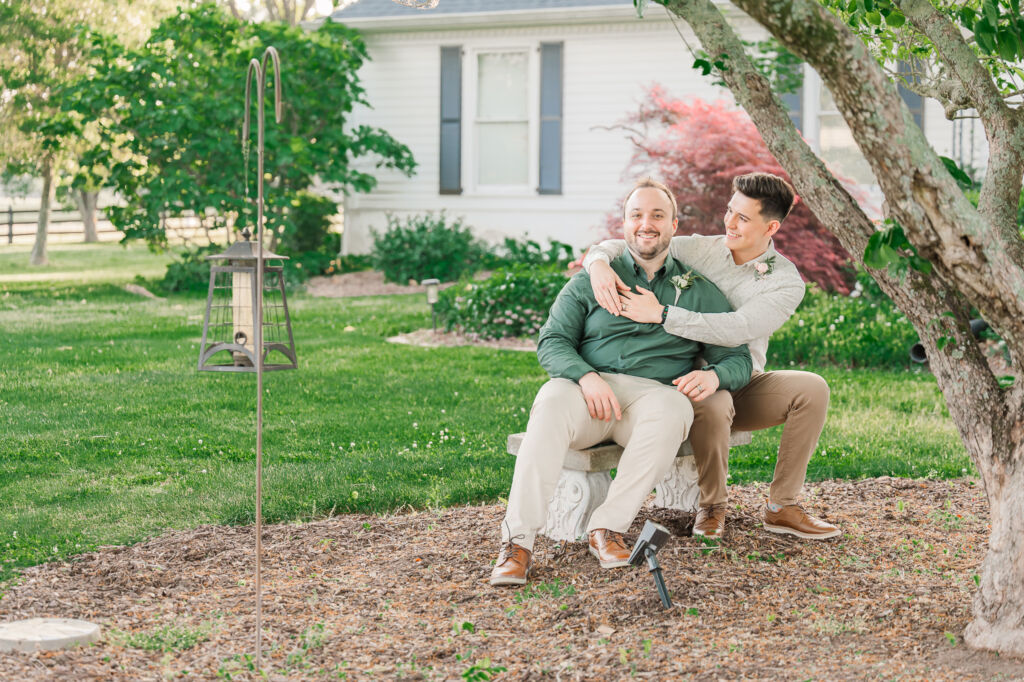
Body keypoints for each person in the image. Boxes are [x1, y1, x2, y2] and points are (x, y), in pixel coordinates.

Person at [490, 178, 752, 586]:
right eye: (636, 215)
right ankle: (517, 544)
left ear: (674, 226)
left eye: (657, 216)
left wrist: (715, 374)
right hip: (586, 393)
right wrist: (585, 376)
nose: (646, 224)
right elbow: (552, 341)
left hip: (650, 399)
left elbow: (738, 357)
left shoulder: (698, 290)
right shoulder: (592, 279)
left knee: (674, 407)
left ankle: (607, 528)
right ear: (624, 224)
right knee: (551, 397)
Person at [582, 172, 840, 541]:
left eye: (743, 218)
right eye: (729, 211)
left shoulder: (786, 282)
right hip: (679, 380)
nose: (729, 224)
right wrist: (598, 265)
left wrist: (664, 314)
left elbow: (738, 327)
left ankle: (782, 506)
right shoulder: (702, 248)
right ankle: (712, 506)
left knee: (812, 388)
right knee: (714, 400)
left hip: (741, 376)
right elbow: (629, 241)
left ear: (771, 227)